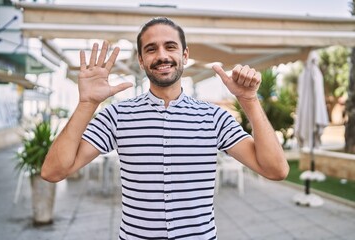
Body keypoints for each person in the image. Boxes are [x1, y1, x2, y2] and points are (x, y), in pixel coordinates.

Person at [41, 17, 289, 240]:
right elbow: (53, 172)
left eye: (170, 46)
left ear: (185, 55)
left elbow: (275, 170)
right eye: (151, 49)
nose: (162, 55)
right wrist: (87, 103)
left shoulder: (214, 117)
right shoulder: (116, 115)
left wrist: (249, 101)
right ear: (141, 60)